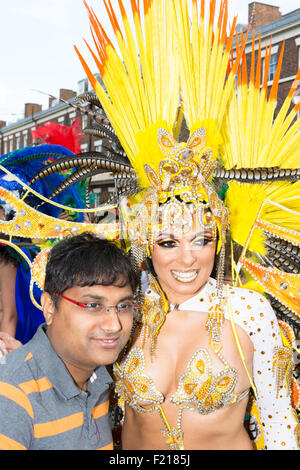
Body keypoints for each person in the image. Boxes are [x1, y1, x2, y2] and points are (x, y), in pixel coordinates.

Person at [74, 0, 300, 450]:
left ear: (220, 240)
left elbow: (278, 421)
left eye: (202, 239)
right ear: (144, 243)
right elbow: (71, 371)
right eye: (168, 240)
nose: (187, 257)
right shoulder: (126, 308)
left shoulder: (250, 311)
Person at [0, 232, 137, 450]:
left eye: (124, 306)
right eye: (92, 305)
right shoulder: (11, 394)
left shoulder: (97, 377)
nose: (114, 325)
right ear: (50, 307)